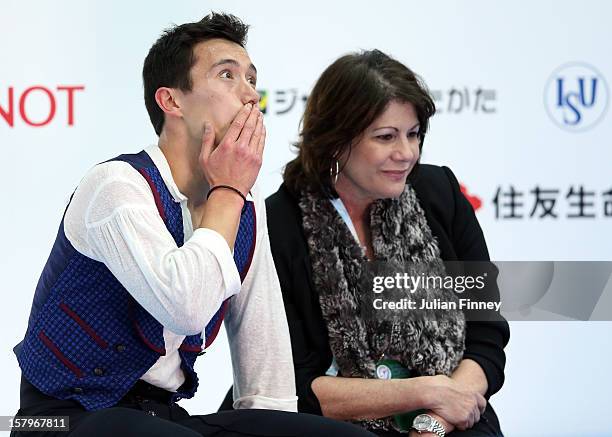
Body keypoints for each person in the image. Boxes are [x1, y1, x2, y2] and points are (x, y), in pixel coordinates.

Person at [10, 13, 373, 437]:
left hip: (161, 417)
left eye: (252, 80)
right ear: (172, 101)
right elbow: (186, 308)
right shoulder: (116, 187)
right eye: (227, 75)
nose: (250, 95)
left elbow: (265, 358)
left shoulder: (246, 205)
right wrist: (229, 193)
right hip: (60, 416)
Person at [265, 50, 510, 436]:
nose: (406, 153)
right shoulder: (278, 225)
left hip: (453, 419)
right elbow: (292, 388)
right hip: (331, 426)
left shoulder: (439, 193)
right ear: (335, 140)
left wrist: (437, 419)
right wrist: (424, 390)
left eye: (413, 134)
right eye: (386, 137)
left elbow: (486, 332)